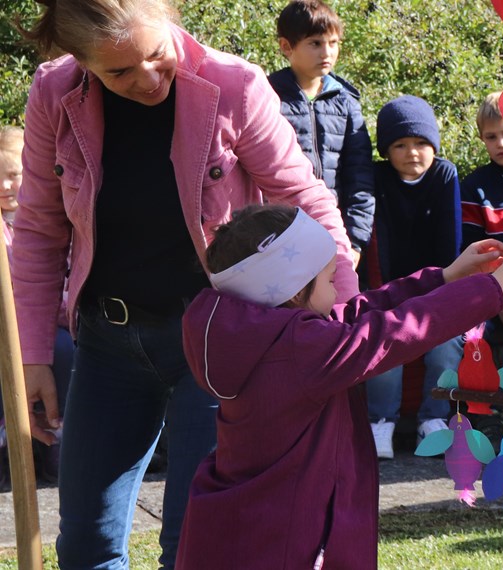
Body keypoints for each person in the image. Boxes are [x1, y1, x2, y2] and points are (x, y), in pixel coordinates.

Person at [13, 1, 360, 567]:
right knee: (86, 545)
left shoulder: (234, 85)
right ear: (82, 64)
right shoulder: (55, 93)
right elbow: (37, 228)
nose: (147, 80)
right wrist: (32, 355)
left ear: (170, 20)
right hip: (107, 344)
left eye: (156, 54)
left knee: (196, 545)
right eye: (119, 72)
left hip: (216, 345)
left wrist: (344, 317)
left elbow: (305, 199)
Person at [175, 204, 503, 568]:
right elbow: (392, 332)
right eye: (328, 280)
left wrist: (445, 277)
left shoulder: (260, 337)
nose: (337, 287)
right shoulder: (301, 351)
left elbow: (353, 316)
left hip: (250, 528)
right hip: (290, 541)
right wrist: (493, 288)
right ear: (291, 293)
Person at [363, 95, 463, 459]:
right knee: (383, 339)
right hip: (387, 289)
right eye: (400, 145)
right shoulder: (377, 178)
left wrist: (439, 293)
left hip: (436, 287)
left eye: (422, 143)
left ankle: (433, 420)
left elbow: (449, 243)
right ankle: (380, 422)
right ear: (386, 151)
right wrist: (389, 295)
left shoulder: (444, 174)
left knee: (446, 344)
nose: (412, 153)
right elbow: (378, 243)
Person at [268, 0, 375, 268]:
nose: (326, 52)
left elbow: (360, 175)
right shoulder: (268, 97)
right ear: (286, 46)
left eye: (333, 42)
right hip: (281, 232)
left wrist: (356, 239)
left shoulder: (346, 102)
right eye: (315, 43)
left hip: (334, 231)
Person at [0, 125, 74, 490]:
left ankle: (62, 442)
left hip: (54, 319)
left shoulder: (49, 214)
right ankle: (14, 447)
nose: (6, 187)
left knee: (67, 351)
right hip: (9, 326)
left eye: (13, 175)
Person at [460, 91, 503, 366]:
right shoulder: (475, 187)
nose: (501, 143)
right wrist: (501, 295)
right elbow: (474, 252)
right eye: (491, 137)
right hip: (494, 289)